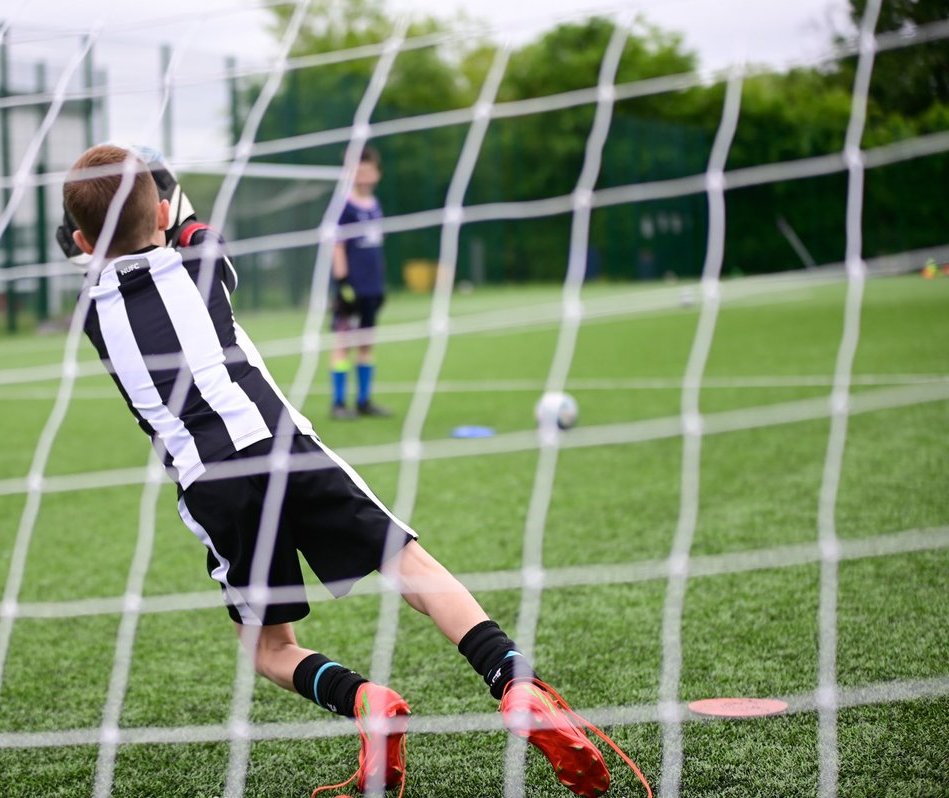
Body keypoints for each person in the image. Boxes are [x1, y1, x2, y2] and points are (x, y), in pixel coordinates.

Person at [62, 144, 640, 798]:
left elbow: (100, 244)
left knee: (269, 647)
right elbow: (184, 225)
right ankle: (513, 681)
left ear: (82, 241)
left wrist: (101, 224)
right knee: (409, 564)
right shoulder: (200, 257)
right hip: (281, 443)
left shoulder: (92, 313)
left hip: (210, 483)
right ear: (162, 209)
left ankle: (364, 700)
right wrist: (171, 194)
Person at [330, 146, 390, 419]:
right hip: (351, 288)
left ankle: (364, 401)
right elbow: (338, 246)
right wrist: (343, 282)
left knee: (366, 342)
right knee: (343, 341)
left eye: (369, 170)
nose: (364, 176)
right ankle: (339, 403)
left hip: (373, 287)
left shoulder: (376, 205)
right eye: (359, 171)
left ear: (377, 173)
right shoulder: (344, 206)